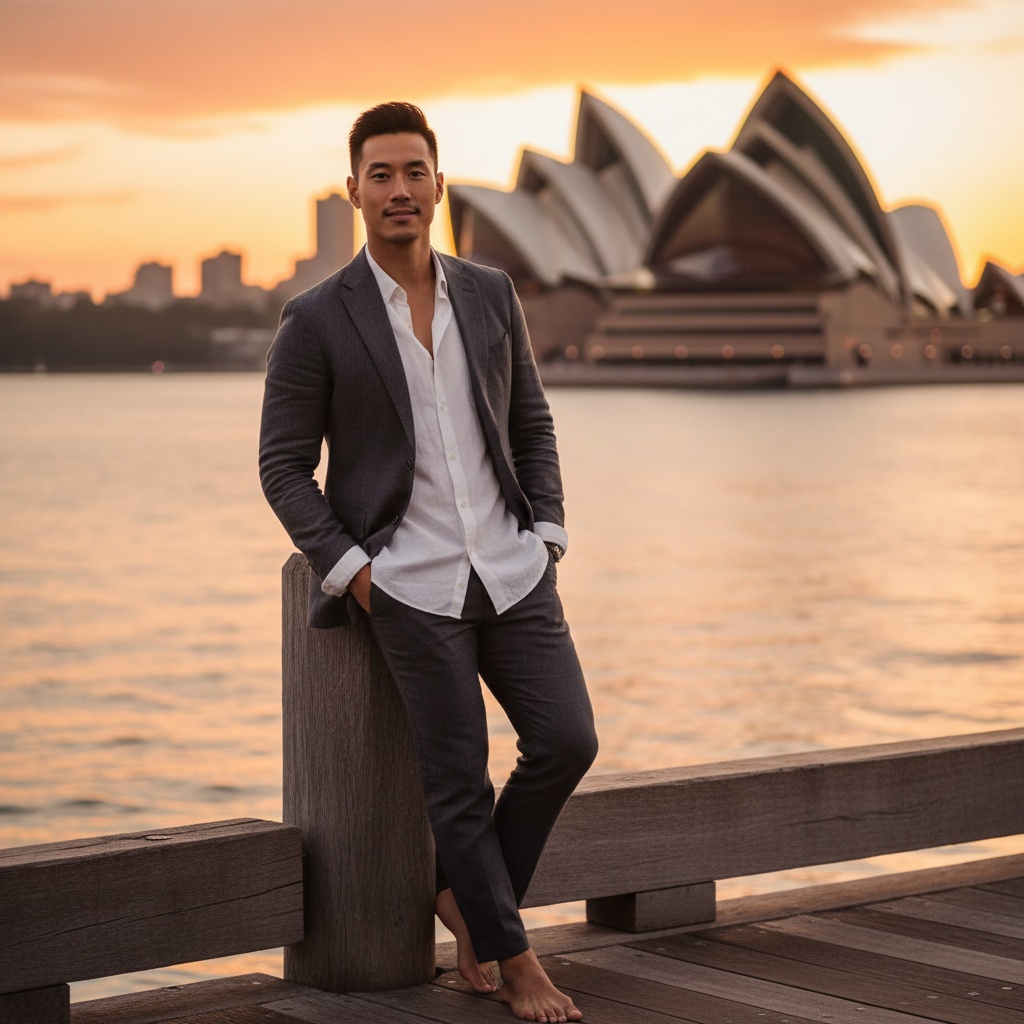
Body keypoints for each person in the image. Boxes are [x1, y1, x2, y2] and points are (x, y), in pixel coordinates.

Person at [259, 101, 597, 1023]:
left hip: (514, 569)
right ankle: (517, 961)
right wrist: (354, 571)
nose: (399, 190)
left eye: (415, 172)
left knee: (568, 740)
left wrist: (551, 531)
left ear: (438, 184)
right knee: (456, 777)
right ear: (355, 190)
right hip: (409, 585)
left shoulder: (491, 293)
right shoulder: (316, 318)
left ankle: (469, 905)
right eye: (381, 175)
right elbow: (282, 466)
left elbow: (531, 420)